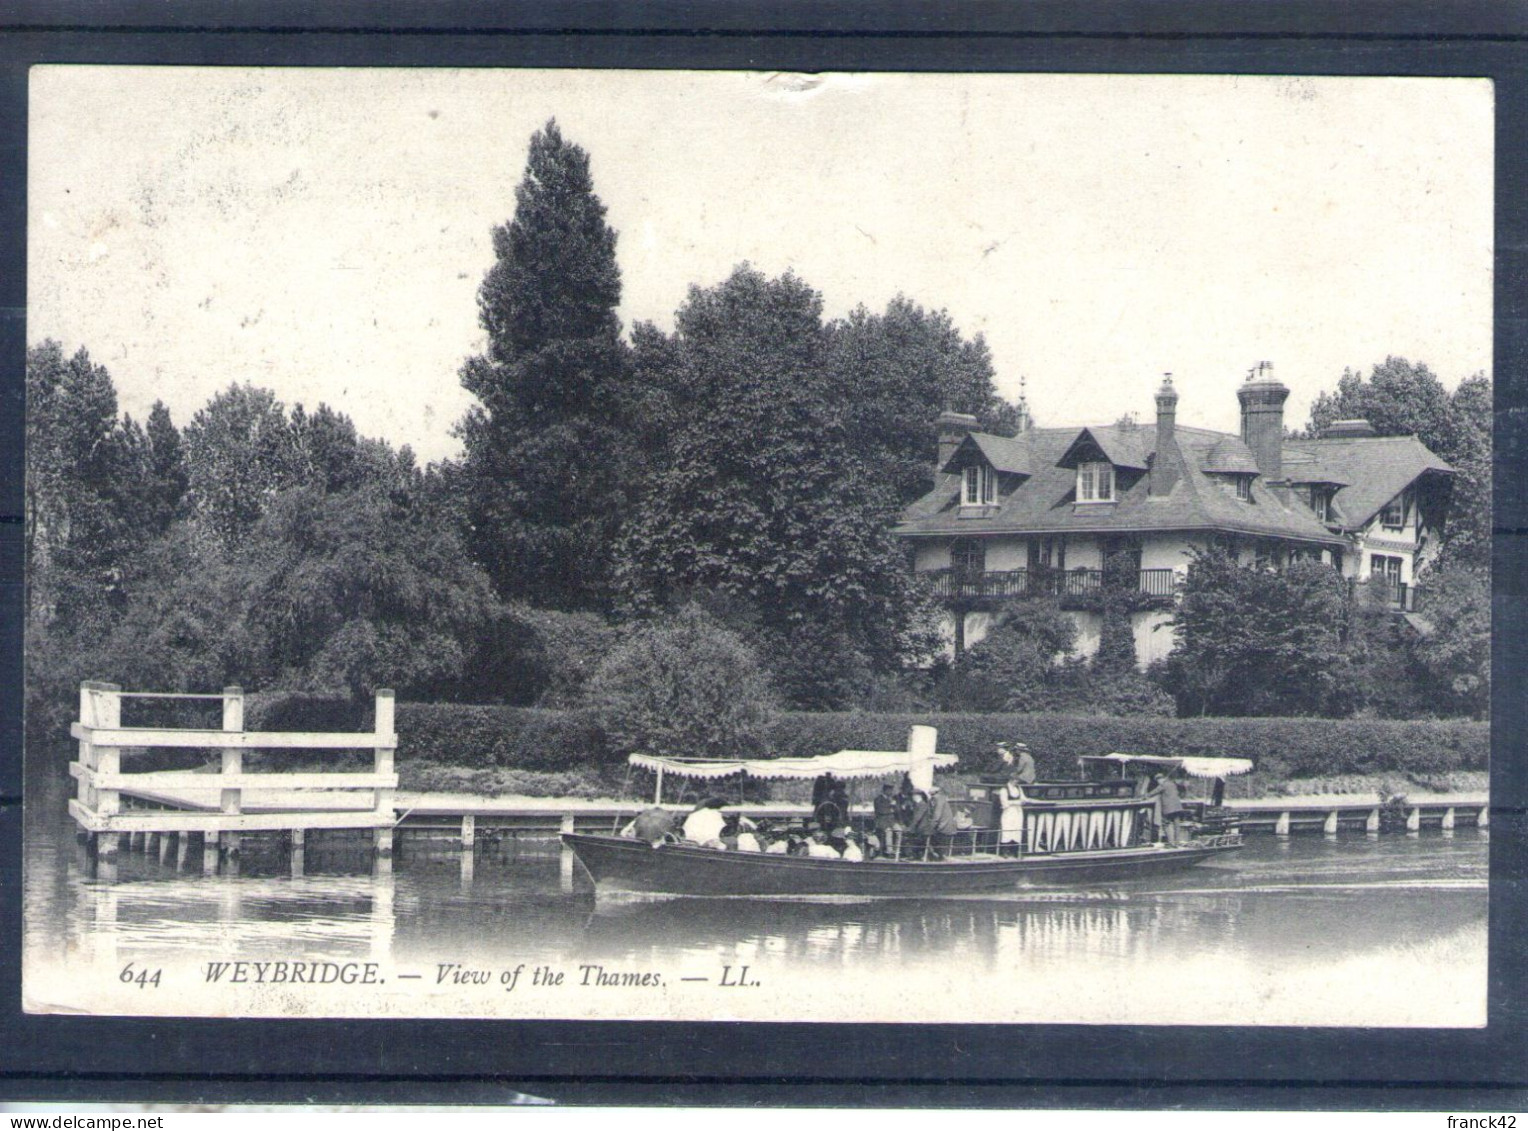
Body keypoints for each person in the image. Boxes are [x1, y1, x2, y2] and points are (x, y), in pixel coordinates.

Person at [927, 785, 959, 860]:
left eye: (932, 795)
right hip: (943, 826)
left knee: (932, 839)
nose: (932, 797)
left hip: (944, 827)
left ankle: (939, 857)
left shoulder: (939, 800)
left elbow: (937, 815)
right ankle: (937, 856)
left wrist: (930, 827)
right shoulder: (938, 799)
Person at [1158, 770, 1188, 845]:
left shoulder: (1163, 785)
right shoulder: (1172, 784)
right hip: (1177, 807)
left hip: (1169, 808)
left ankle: (1171, 842)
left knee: (1166, 823)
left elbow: (1154, 792)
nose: (1158, 781)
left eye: (1158, 780)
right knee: (1177, 824)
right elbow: (1180, 792)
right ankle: (1177, 841)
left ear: (1161, 779)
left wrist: (1145, 796)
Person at [872, 783, 900, 858]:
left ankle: (897, 849)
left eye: (891, 790)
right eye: (889, 790)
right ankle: (889, 851)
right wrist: (891, 808)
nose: (891, 792)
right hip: (882, 821)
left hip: (892, 821)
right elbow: (881, 810)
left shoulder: (892, 799)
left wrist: (894, 806)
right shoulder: (878, 799)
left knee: (899, 831)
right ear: (885, 791)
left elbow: (897, 811)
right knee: (889, 832)